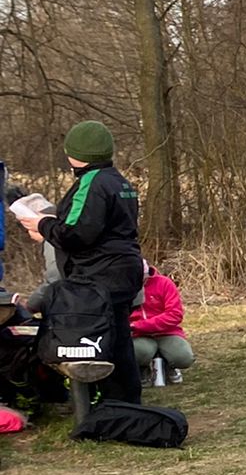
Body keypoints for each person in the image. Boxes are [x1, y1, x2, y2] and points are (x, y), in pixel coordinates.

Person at [23, 121, 144, 403]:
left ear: (76, 154)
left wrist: (43, 224)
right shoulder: (119, 181)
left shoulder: (92, 182)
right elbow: (101, 229)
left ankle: (111, 406)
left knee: (99, 340)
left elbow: (76, 233)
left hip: (99, 276)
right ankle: (126, 404)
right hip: (124, 270)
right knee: (118, 340)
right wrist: (50, 232)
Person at [130, 260, 193, 385]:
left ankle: (170, 365)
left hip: (167, 332)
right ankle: (142, 368)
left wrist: (141, 325)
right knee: (139, 353)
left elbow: (175, 314)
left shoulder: (165, 283)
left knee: (184, 358)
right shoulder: (124, 288)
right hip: (138, 335)